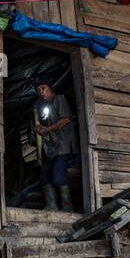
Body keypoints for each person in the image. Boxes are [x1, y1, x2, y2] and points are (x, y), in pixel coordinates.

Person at [34, 82, 77, 211]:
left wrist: (47, 130)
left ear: (50, 89)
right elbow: (46, 128)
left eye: (43, 88)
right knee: (44, 176)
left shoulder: (60, 99)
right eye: (38, 90)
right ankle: (52, 206)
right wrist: (39, 128)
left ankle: (67, 207)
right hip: (52, 149)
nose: (41, 92)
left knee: (58, 175)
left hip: (64, 145)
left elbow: (65, 120)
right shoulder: (44, 107)